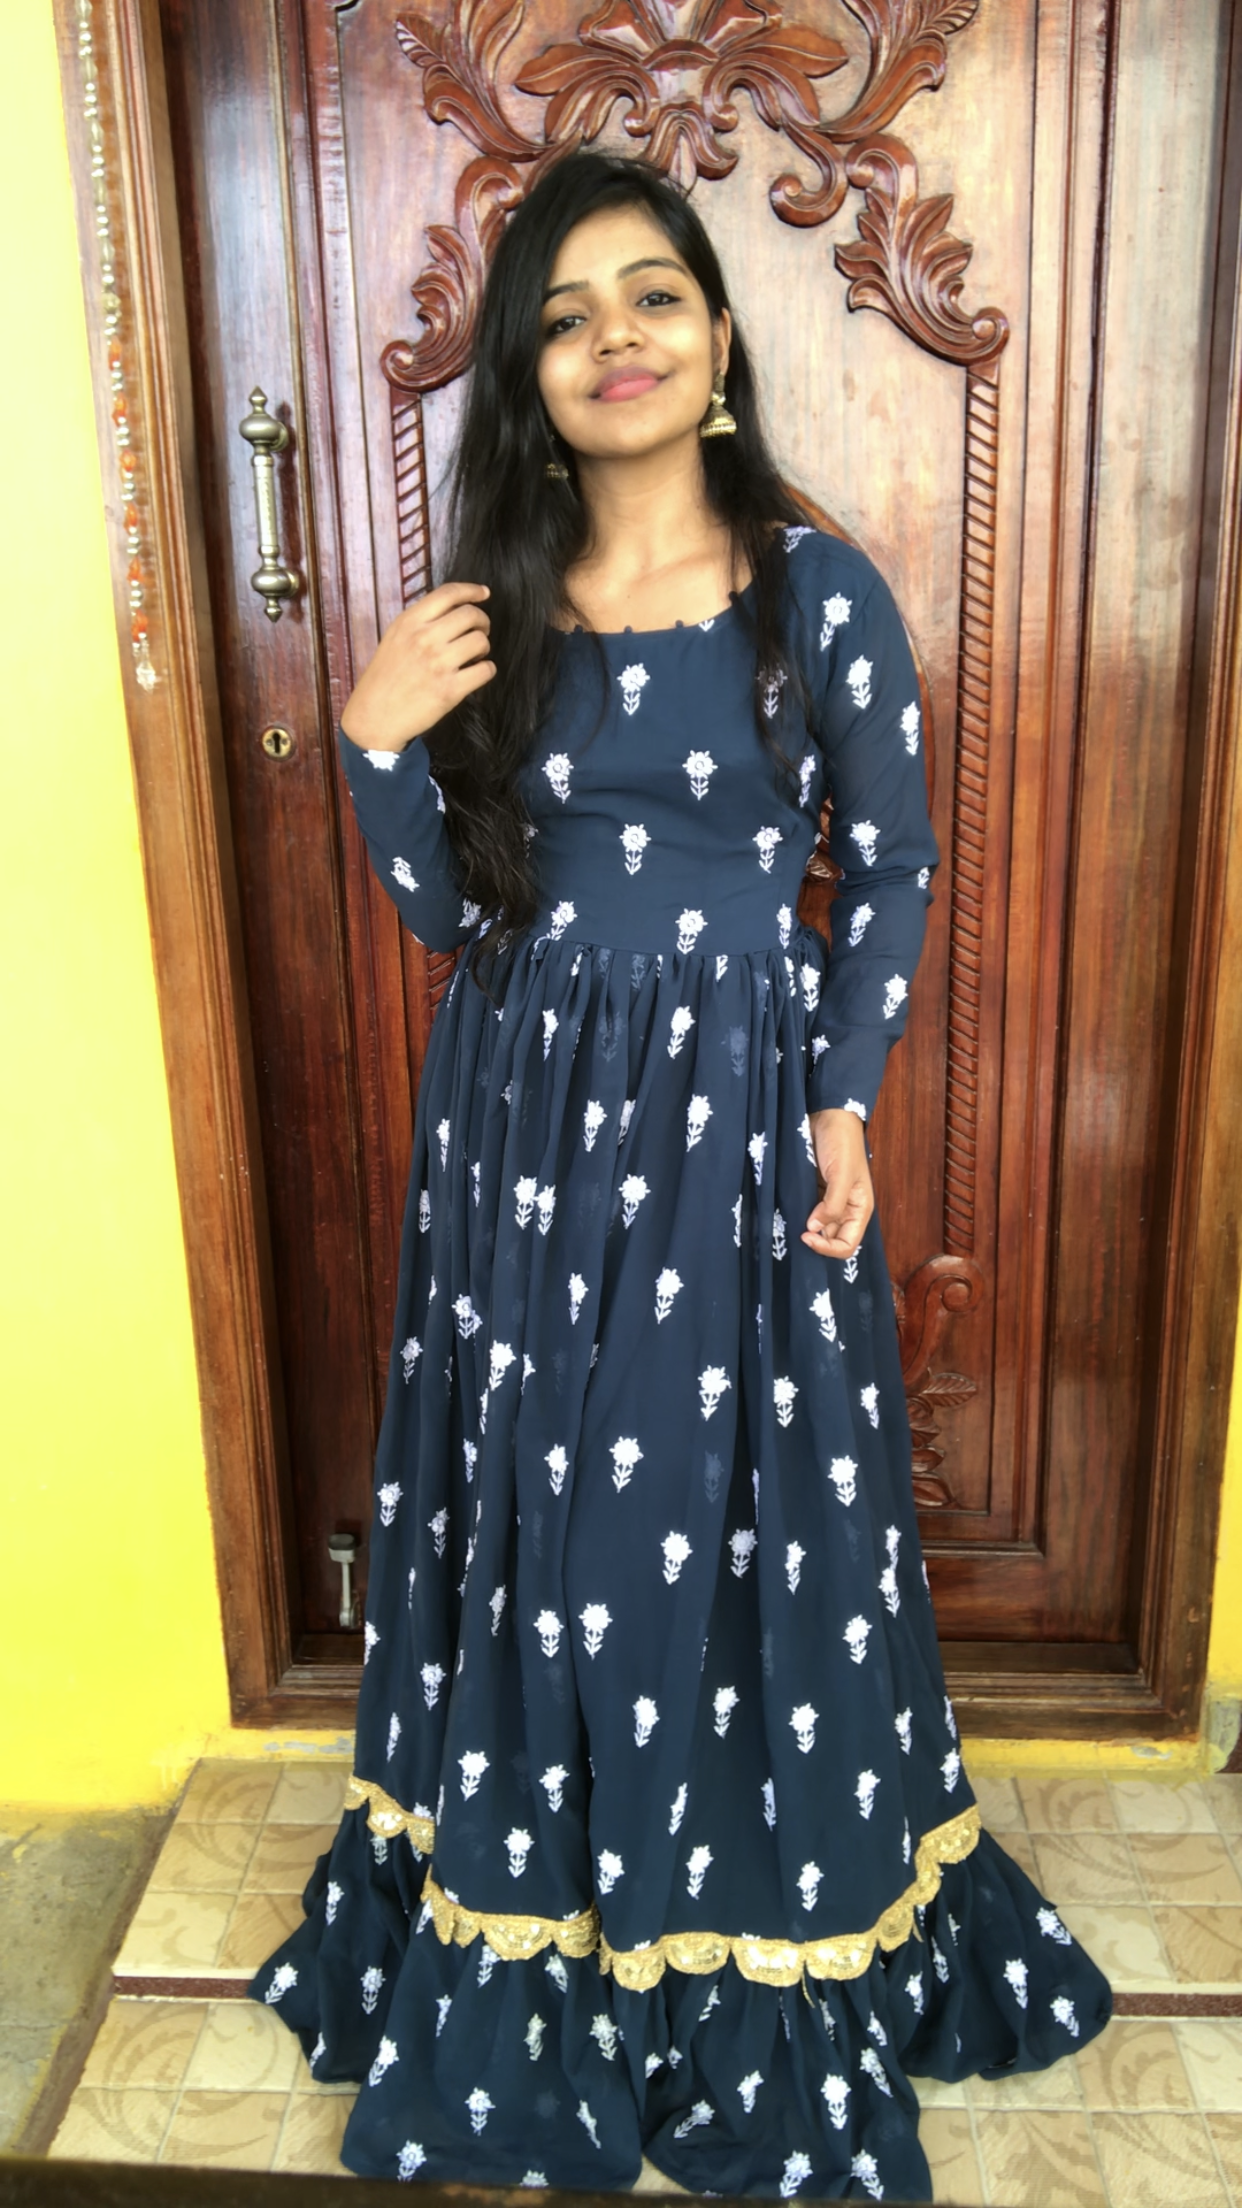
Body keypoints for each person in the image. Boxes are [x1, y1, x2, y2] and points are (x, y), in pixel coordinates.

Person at [248, 149, 1110, 2199]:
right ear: (528, 375)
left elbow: (888, 871)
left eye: (649, 297)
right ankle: (542, 1899)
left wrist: (844, 1100)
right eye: (562, 317)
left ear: (718, 337)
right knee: (542, 1496)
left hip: (735, 1119)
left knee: (724, 1511)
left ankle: (743, 1912)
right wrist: (371, 744)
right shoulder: (493, 607)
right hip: (523, 1124)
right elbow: (448, 915)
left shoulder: (818, 594)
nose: (611, 339)